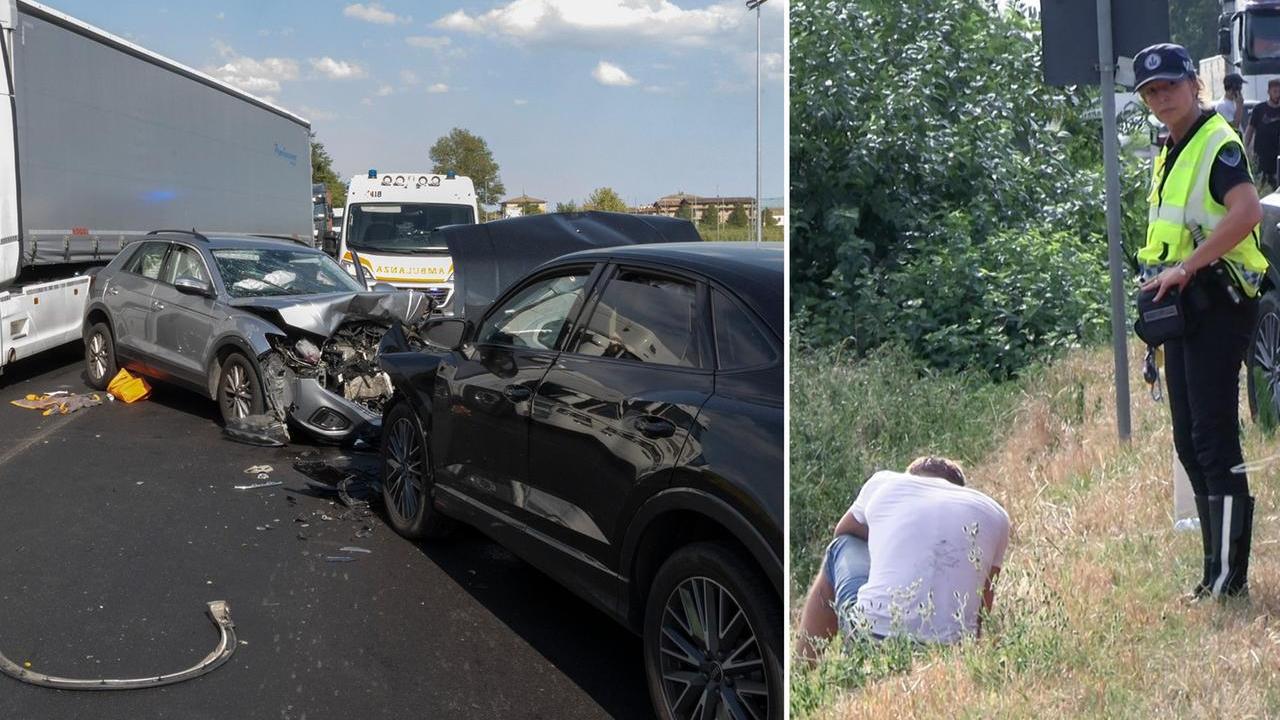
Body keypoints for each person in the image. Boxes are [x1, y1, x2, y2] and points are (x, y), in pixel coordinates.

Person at [1134, 43, 1269, 600]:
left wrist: (1188, 265)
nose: (1161, 98)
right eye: (1151, 91)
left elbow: (1247, 212)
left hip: (1219, 302)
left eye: (1169, 86)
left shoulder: (1217, 143)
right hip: (1185, 308)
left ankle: (1230, 580)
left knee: (1213, 441)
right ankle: (1214, 570)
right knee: (1190, 442)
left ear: (1194, 83)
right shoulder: (1171, 145)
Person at [796, 457, 1010, 659]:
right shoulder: (997, 515)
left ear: (912, 474)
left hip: (872, 638)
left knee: (841, 547)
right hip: (952, 650)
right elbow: (983, 608)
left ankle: (802, 667)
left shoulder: (885, 481)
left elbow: (844, 532)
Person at [1246, 78, 1280, 188]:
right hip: (1261, 158)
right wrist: (1245, 148)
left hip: (1277, 159)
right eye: (1275, 91)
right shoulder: (1259, 109)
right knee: (1261, 187)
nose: (1277, 95)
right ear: (1269, 92)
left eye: (1279, 92)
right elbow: (1250, 129)